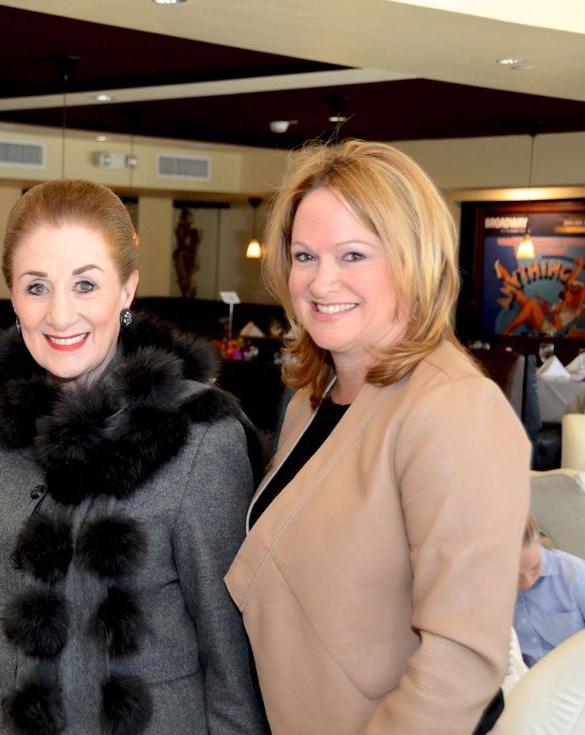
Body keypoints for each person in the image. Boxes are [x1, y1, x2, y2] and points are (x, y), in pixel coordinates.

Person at [0, 179, 267, 735]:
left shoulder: (198, 433)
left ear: (127, 289)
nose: (60, 315)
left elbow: (229, 647)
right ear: (12, 295)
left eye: (86, 284)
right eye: (36, 287)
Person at [225, 140, 530, 735]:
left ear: (412, 259)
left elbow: (461, 658)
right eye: (305, 255)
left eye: (354, 254)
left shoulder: (452, 407)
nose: (321, 280)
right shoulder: (314, 400)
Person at [514, 515, 585, 667]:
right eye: (513, 575)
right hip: (526, 681)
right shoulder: (488, 588)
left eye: (534, 567)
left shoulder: (575, 575)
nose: (526, 583)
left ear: (538, 540)